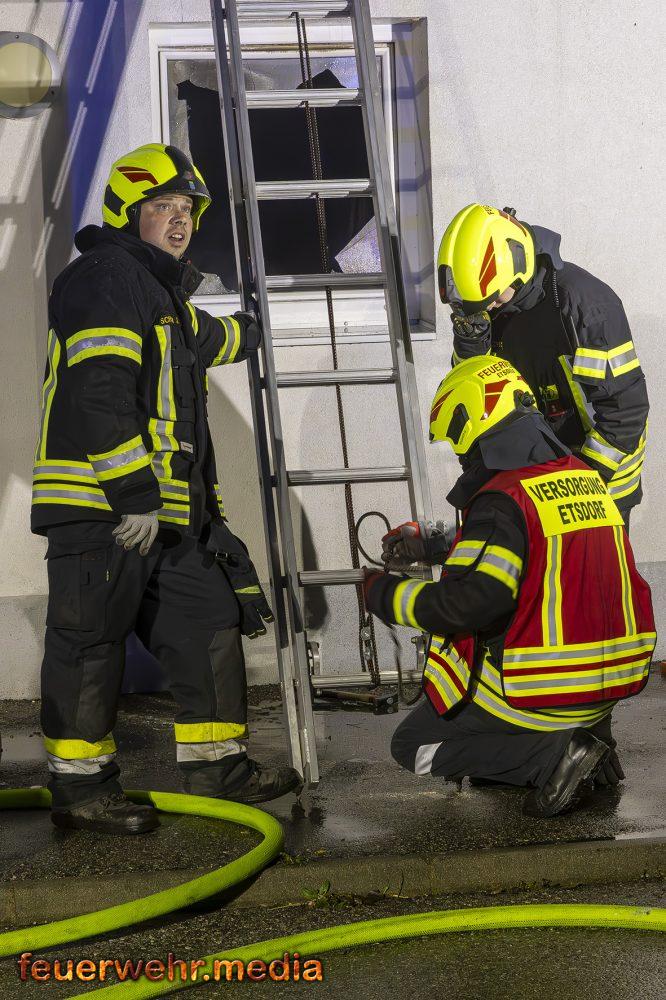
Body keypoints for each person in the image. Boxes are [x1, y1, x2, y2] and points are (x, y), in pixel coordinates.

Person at [32, 143, 301, 834]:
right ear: (128, 214)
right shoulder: (105, 277)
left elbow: (204, 340)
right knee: (91, 643)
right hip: (104, 509)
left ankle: (218, 769)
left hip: (165, 517)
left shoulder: (158, 294)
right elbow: (98, 391)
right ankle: (81, 791)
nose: (180, 220)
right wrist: (132, 496)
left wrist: (254, 330)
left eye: (186, 209)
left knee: (207, 620)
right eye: (162, 207)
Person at [364, 356, 655, 817]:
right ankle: (586, 749)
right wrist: (436, 544)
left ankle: (553, 757)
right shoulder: (583, 478)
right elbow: (533, 544)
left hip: (546, 690)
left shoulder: (502, 500)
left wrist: (380, 592)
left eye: (458, 442)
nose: (460, 455)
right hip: (607, 687)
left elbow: (468, 605)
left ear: (472, 425)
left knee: (413, 745)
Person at [437, 204, 648, 527]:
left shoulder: (586, 307)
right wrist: (471, 344)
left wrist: (583, 481)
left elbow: (625, 411)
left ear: (517, 266)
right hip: (540, 475)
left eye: (494, 298)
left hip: (602, 480)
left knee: (585, 561)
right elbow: (474, 389)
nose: (489, 307)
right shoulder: (496, 306)